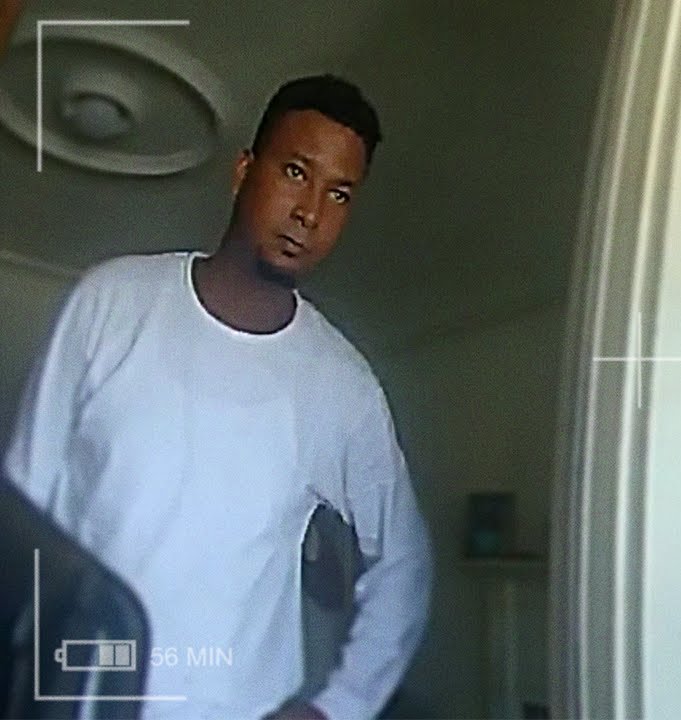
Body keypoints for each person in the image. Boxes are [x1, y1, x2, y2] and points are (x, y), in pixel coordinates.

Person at [3, 75, 433, 720]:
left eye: (339, 193)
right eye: (295, 172)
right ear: (243, 171)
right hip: (80, 694)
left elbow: (403, 562)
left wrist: (338, 707)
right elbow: (23, 503)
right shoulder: (111, 301)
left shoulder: (343, 389)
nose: (310, 212)